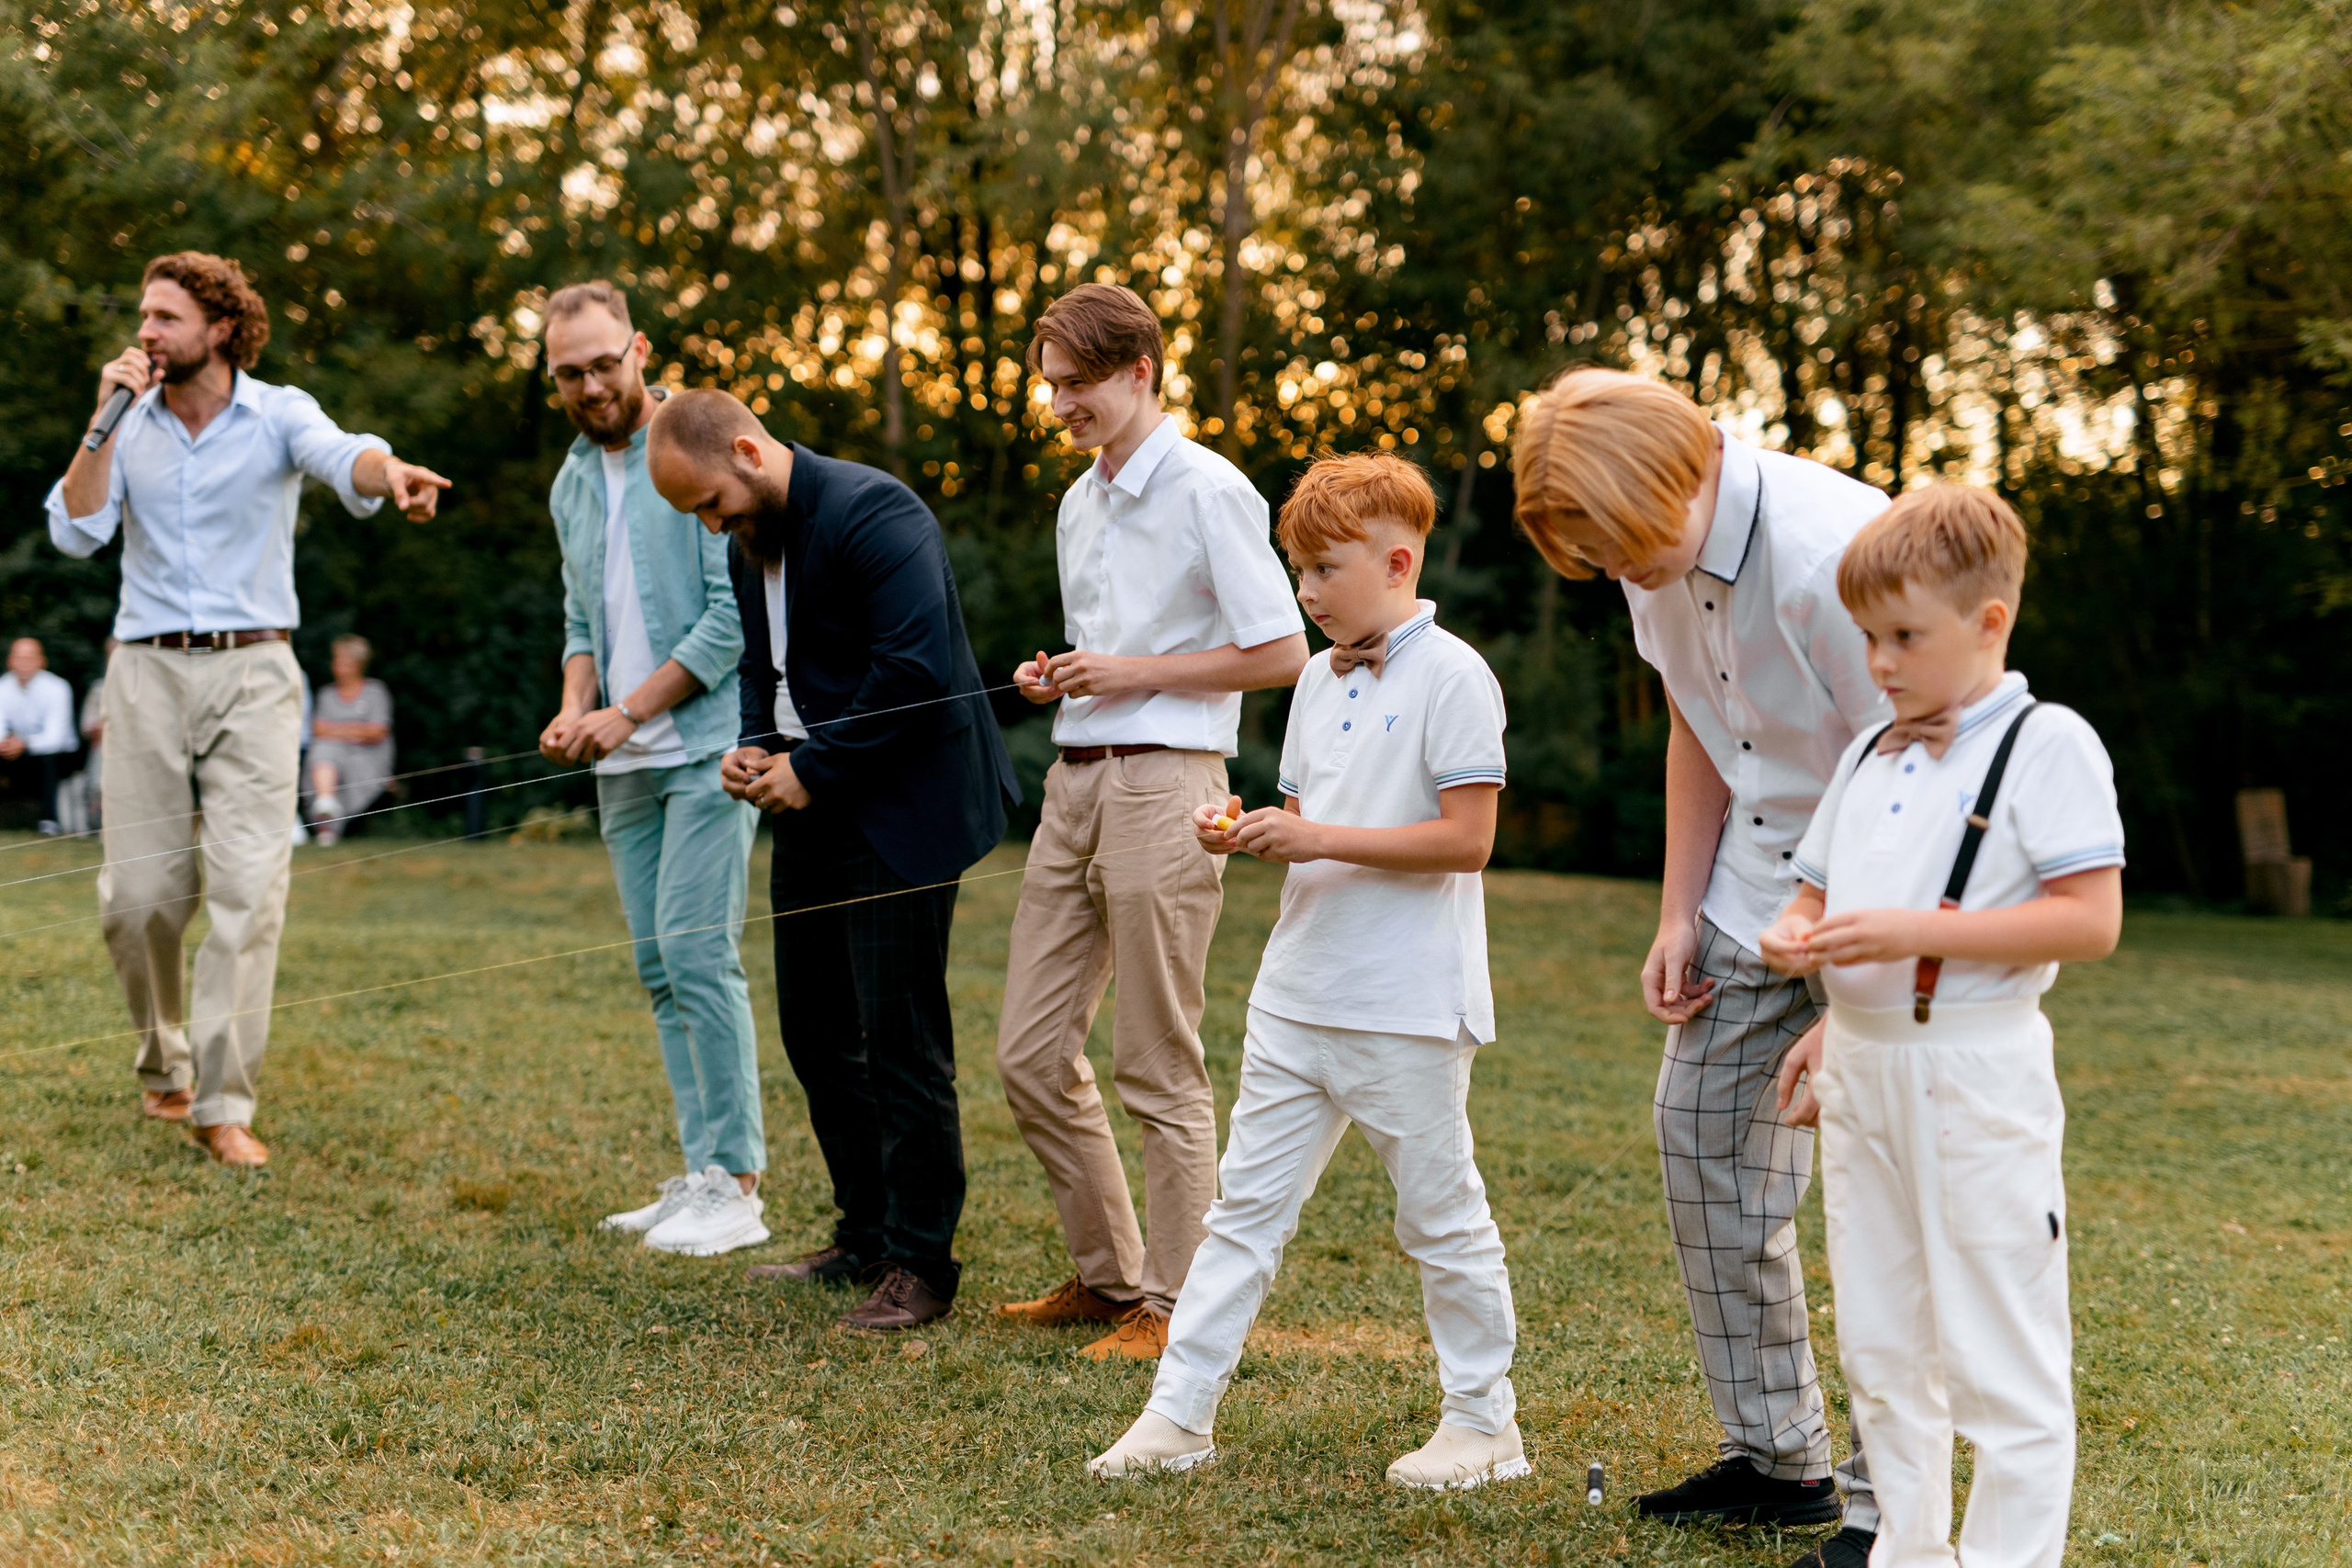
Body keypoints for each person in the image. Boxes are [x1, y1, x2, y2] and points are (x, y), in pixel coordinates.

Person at [1091, 453, 1523, 1486]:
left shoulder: (1456, 674)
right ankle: (1177, 1416)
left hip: (1406, 1005)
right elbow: (1297, 815)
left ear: (1397, 561)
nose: (1305, 592)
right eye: (1300, 570)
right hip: (1296, 994)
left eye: (1325, 570)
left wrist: (1314, 835)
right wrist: (1233, 829)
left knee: (1438, 1217)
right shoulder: (1315, 680)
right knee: (1239, 1214)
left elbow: (1466, 841)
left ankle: (1483, 1424)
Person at [1511, 368, 1887, 1557]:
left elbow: (1918, 771)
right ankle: (1780, 1458)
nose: (1622, 572)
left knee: (1885, 1196)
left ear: (1685, 473)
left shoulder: (1839, 554)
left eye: (1626, 547)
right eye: (1599, 558)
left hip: (1885, 893)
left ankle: (1893, 1509)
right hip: (1750, 886)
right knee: (1705, 1145)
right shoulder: (1645, 557)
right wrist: (1680, 909)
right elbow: (1696, 721)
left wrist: (1863, 1001)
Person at [1760, 487, 2122, 1568]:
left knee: (1997, 1354)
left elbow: (2089, 919)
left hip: (1973, 1073)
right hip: (1863, 1075)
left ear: (1989, 623)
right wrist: (1801, 949)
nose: (1878, 661)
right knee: (1880, 1341)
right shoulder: (1871, 748)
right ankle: (1907, 1554)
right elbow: (1815, 897)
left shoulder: (2046, 744)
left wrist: (1910, 936)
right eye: (1869, 636)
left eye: (1904, 636)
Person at [44, 251, 449, 1168]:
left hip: (257, 672)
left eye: (164, 318)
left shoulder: (277, 413)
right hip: (145, 671)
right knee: (140, 898)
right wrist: (98, 426)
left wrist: (394, 476)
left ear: (220, 328)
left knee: (247, 893)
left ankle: (223, 1105)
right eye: (143, 318)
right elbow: (73, 531)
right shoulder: (127, 423)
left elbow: (344, 455)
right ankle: (164, 1064)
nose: (144, 333)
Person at [646, 388, 1018, 1330]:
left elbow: (914, 671)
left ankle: (923, 1265)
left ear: (745, 451)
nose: (710, 522)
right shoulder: (748, 543)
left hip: (902, 800)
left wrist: (811, 765)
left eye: (709, 502)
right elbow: (761, 671)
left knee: (900, 1039)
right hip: (814, 797)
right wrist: (753, 745)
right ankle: (865, 1236)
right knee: (815, 1028)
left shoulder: (873, 512)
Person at [994, 284, 1308, 1360]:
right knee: (1029, 1053)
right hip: (1071, 784)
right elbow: (1109, 653)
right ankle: (1107, 1278)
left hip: (1168, 786)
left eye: (1074, 385)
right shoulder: (1077, 503)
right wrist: (1063, 678)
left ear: (1140, 372)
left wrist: (1129, 672)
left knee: (1157, 1060)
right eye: (1050, 387)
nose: (1059, 405)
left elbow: (1280, 651)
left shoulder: (1209, 488)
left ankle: (1177, 1309)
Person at [534, 281, 769, 1258]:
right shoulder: (570, 484)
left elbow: (730, 618)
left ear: (639, 350)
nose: (591, 385)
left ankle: (741, 1184)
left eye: (602, 363)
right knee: (655, 964)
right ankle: (698, 1175)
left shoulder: (695, 444)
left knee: (697, 950)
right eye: (568, 373)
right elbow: (581, 621)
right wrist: (574, 706)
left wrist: (626, 713)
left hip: (704, 746)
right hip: (621, 762)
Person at [306, 634, 394, 845]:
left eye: (344, 660)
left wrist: (336, 730)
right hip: (331, 754)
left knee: (330, 755)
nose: (338, 665)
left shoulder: (375, 691)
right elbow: (318, 730)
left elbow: (376, 732)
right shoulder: (327, 694)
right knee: (322, 752)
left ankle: (327, 823)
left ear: (359, 663)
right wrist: (355, 730)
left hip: (369, 756)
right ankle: (325, 805)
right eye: (336, 660)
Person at [0, 637, 78, 835]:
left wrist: (24, 744)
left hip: (59, 755)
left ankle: (48, 820)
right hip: (17, 751)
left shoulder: (58, 688)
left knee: (48, 761)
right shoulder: (3, 686)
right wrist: (5, 744)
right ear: (10, 661)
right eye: (19, 657)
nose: (24, 662)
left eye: (29, 657)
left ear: (41, 661)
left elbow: (56, 738)